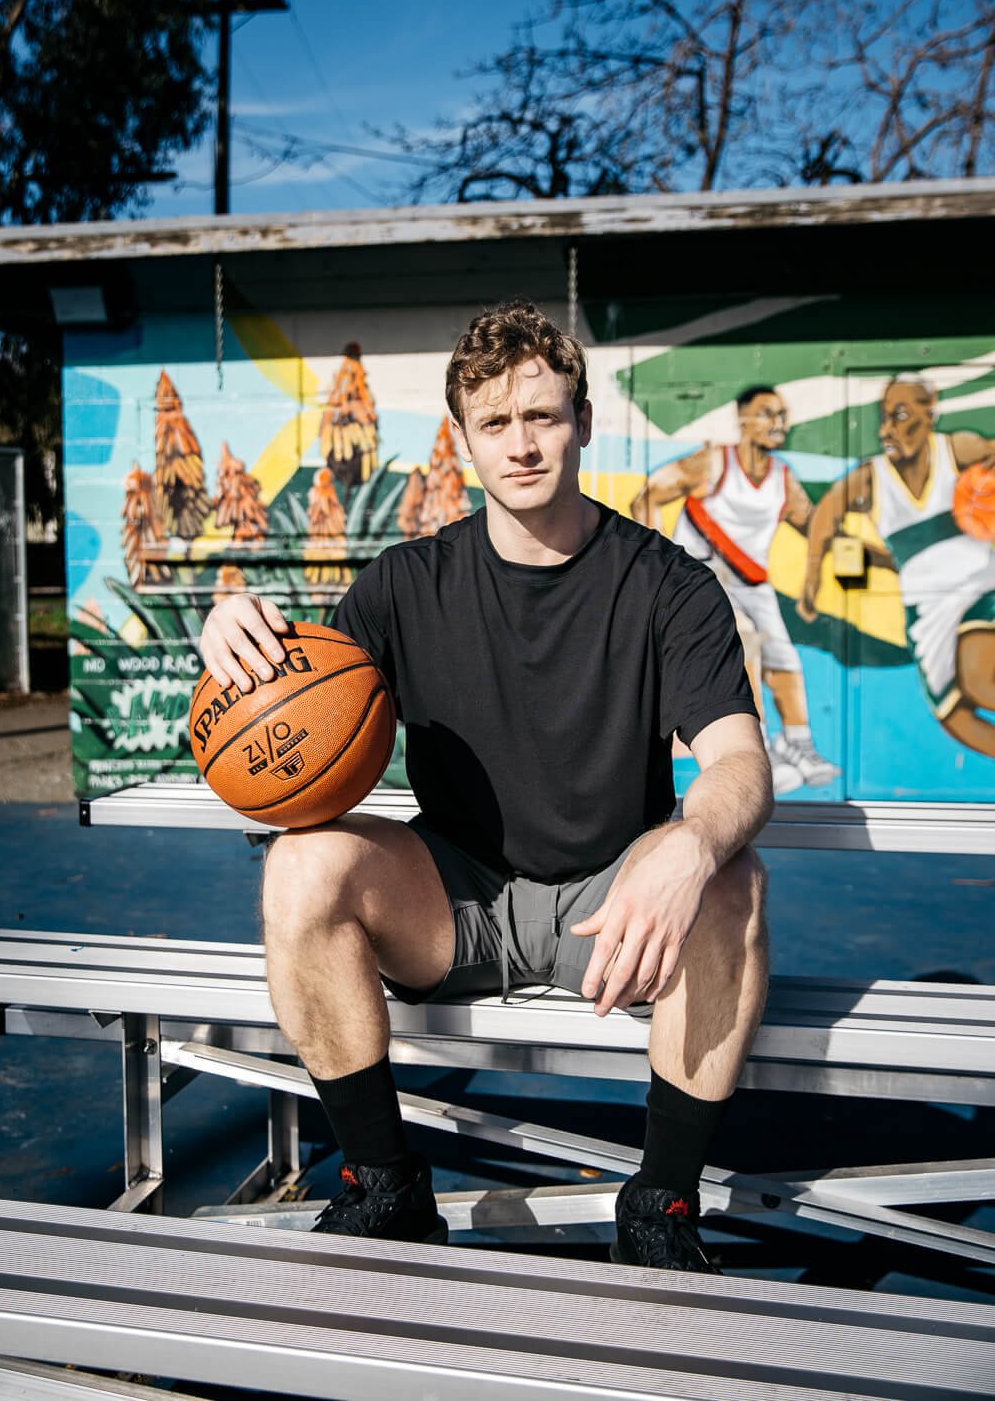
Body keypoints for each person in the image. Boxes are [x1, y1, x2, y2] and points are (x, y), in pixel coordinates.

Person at [200, 300, 772, 1273]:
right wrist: (228, 629)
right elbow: (289, 721)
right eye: (496, 424)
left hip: (610, 910)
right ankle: (384, 1184)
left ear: (583, 422)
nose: (521, 445)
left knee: (730, 875)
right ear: (463, 439)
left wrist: (690, 842)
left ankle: (659, 1202)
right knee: (301, 867)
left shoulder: (666, 584)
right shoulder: (401, 587)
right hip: (457, 898)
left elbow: (738, 761)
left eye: (543, 417)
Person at [631, 385, 840, 795]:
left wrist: (823, 570)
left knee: (785, 657)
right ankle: (754, 747)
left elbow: (813, 524)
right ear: (743, 419)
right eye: (767, 413)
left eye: (782, 414)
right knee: (743, 644)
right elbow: (649, 495)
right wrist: (654, 562)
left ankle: (797, 743)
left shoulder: (782, 478)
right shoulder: (713, 462)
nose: (778, 422)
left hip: (753, 582)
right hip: (703, 577)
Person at [799, 374, 995, 758]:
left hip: (980, 585)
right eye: (885, 417)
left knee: (979, 678)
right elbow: (826, 515)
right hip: (925, 606)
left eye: (901, 414)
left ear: (930, 411)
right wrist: (811, 581)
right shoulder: (872, 478)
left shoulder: (958, 448)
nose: (888, 428)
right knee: (952, 713)